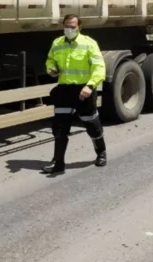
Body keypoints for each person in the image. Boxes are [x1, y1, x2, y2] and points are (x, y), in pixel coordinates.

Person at [43, 14, 107, 174]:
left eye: (72, 26)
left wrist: (90, 86)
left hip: (84, 90)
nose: (69, 29)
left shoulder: (89, 44)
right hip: (64, 90)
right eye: (66, 26)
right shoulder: (57, 43)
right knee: (59, 128)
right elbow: (50, 60)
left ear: (79, 27)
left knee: (92, 125)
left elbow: (99, 67)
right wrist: (51, 68)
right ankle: (58, 163)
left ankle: (101, 153)